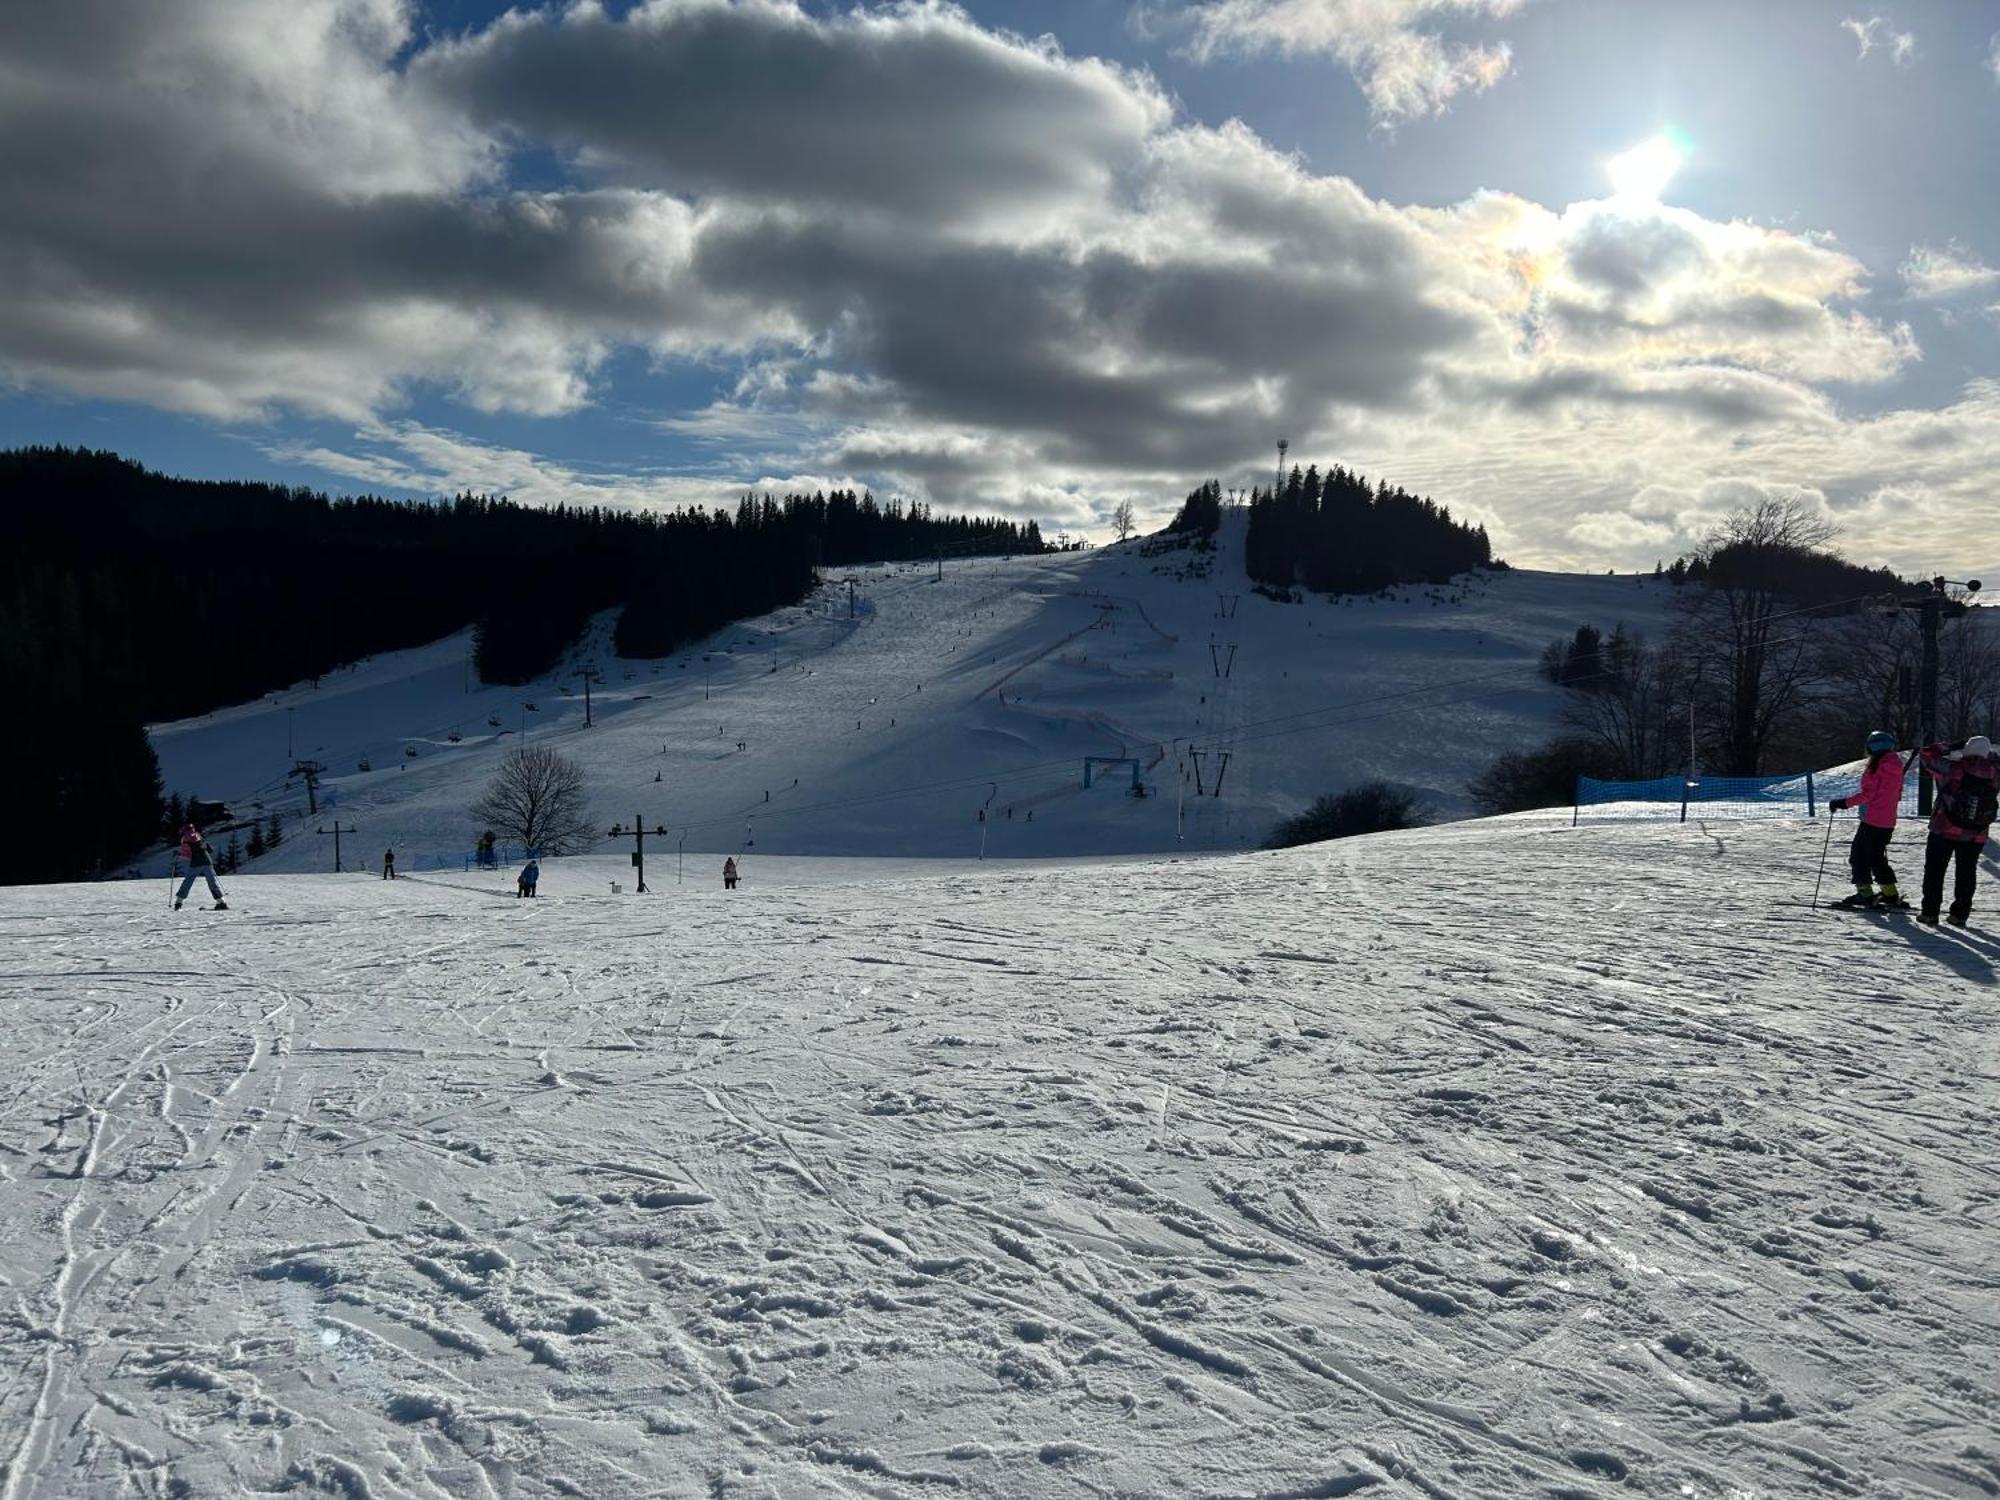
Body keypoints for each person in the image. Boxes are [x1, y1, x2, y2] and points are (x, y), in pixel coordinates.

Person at [1916, 735, 1998, 925]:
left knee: (1935, 871)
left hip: (1943, 827)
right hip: (1976, 832)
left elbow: (1926, 754)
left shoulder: (1952, 768)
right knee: (1966, 872)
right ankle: (1959, 915)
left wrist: (1954, 745)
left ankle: (1930, 912)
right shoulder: (1995, 772)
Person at [1827, 730, 1906, 909]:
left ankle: (1865, 893)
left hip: (1872, 820)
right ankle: (1890, 893)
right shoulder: (1895, 765)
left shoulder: (1876, 766)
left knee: (1859, 856)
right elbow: (1897, 794)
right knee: (1876, 857)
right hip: (1887, 820)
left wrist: (1843, 803)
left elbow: (1868, 795)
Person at [175, 823, 228, 910]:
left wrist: (179, 855)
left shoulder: (185, 839)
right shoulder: (198, 835)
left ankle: (179, 902)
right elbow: (208, 848)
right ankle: (221, 902)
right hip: (207, 861)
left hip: (196, 864)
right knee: (212, 882)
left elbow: (187, 855)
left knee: (188, 881)